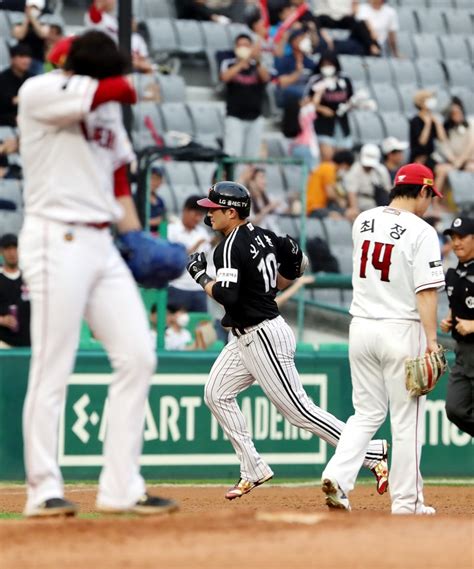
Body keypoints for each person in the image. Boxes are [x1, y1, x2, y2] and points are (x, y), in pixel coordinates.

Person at [18, 30, 178, 517]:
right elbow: (121, 90)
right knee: (53, 365)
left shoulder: (103, 104)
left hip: (100, 240)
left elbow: (117, 181)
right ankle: (43, 489)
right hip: (54, 235)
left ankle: (121, 487)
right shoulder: (41, 90)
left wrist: (135, 238)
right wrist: (125, 72)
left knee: (137, 355)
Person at [186, 181, 389, 500]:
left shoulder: (227, 246)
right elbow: (297, 261)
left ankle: (370, 451)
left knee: (300, 411)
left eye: (214, 209)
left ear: (231, 211)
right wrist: (274, 282)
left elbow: (227, 295)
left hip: (262, 334)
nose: (208, 213)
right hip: (245, 336)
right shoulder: (266, 236)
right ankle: (252, 467)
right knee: (216, 393)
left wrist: (200, 276)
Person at [321, 163, 445, 515]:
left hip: (360, 326)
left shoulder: (363, 219)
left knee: (366, 413)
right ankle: (407, 503)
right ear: (422, 191)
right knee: (406, 421)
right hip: (400, 328)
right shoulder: (422, 231)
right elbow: (426, 292)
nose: (429, 203)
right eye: (429, 196)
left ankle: (337, 476)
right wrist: (432, 340)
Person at [440, 216, 474, 437]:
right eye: (453, 237)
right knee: (455, 409)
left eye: (462, 237)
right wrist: (449, 318)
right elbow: (458, 304)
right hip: (463, 353)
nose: (457, 242)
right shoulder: (452, 274)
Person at [220, 33, 271, 158]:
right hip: (235, 117)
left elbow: (266, 78)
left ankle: (246, 177)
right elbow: (225, 77)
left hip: (255, 117)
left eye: (246, 45)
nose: (243, 48)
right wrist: (241, 64)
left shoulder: (257, 65)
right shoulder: (229, 63)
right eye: (240, 45)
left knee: (252, 157)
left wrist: (256, 60)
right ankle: (232, 178)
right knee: (233, 155)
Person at [303, 51, 353, 162]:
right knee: (327, 158)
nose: (327, 67)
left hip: (342, 124)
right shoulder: (316, 80)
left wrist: (350, 105)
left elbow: (351, 98)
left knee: (342, 159)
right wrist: (322, 109)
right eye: (324, 65)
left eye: (330, 64)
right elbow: (306, 101)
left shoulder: (344, 79)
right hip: (323, 124)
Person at [167, 195, 212, 312]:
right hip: (177, 286)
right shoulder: (171, 230)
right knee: (173, 326)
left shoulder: (202, 233)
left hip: (198, 288)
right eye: (195, 214)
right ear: (185, 210)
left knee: (202, 327)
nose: (198, 218)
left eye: (200, 215)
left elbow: (205, 259)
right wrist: (195, 247)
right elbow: (173, 258)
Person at [409, 89, 453, 196]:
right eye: (428, 99)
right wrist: (427, 124)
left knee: (447, 170)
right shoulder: (415, 120)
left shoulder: (433, 119)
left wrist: (437, 123)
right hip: (418, 157)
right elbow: (422, 141)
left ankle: (438, 201)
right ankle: (433, 200)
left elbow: (443, 139)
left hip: (430, 157)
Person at [314, 0, 380, 56]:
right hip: (326, 22)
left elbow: (356, 14)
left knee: (361, 25)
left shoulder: (353, 18)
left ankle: (372, 46)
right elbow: (317, 18)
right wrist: (326, 37)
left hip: (345, 22)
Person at [345, 143, 392, 220]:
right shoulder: (355, 170)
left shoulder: (381, 170)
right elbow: (352, 193)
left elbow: (388, 190)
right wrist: (354, 209)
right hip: (362, 203)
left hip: (380, 204)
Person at [0, 234, 31, 348]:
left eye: (15, 248)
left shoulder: (30, 278)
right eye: (7, 248)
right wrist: (2, 320)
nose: (12, 252)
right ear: (1, 252)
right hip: (3, 343)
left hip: (29, 343)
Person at [274, 28, 315, 108]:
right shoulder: (285, 60)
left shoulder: (310, 61)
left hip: (306, 94)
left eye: (304, 38)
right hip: (289, 95)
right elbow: (282, 83)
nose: (303, 41)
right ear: (292, 42)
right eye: (300, 38)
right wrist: (298, 72)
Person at [306, 150, 354, 218]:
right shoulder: (329, 168)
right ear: (344, 164)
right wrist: (340, 201)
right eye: (347, 169)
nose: (345, 171)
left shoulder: (327, 167)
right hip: (313, 208)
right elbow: (330, 193)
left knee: (351, 214)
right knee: (338, 217)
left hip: (321, 207)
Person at [12, 0, 49, 75]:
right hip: (21, 58)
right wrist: (26, 19)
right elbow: (20, 35)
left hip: (38, 59)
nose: (32, 10)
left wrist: (33, 19)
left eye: (35, 8)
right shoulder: (19, 23)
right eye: (31, 8)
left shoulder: (44, 24)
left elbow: (42, 34)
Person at [0, 44, 32, 127]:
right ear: (12, 59)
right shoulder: (2, 78)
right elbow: (5, 102)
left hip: (27, 115)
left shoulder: (32, 78)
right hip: (7, 118)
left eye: (28, 57)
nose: (26, 61)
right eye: (22, 57)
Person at [443, 97, 474, 174]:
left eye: (458, 112)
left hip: (469, 160)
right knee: (441, 170)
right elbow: (445, 147)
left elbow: (471, 144)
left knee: (470, 168)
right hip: (453, 161)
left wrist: (461, 161)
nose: (457, 115)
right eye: (454, 113)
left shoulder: (471, 123)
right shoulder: (447, 128)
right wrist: (454, 161)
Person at [149, 165, 166, 235]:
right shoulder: (138, 198)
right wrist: (155, 221)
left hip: (157, 236)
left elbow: (163, 221)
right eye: (152, 178)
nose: (155, 182)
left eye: (158, 179)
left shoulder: (160, 200)